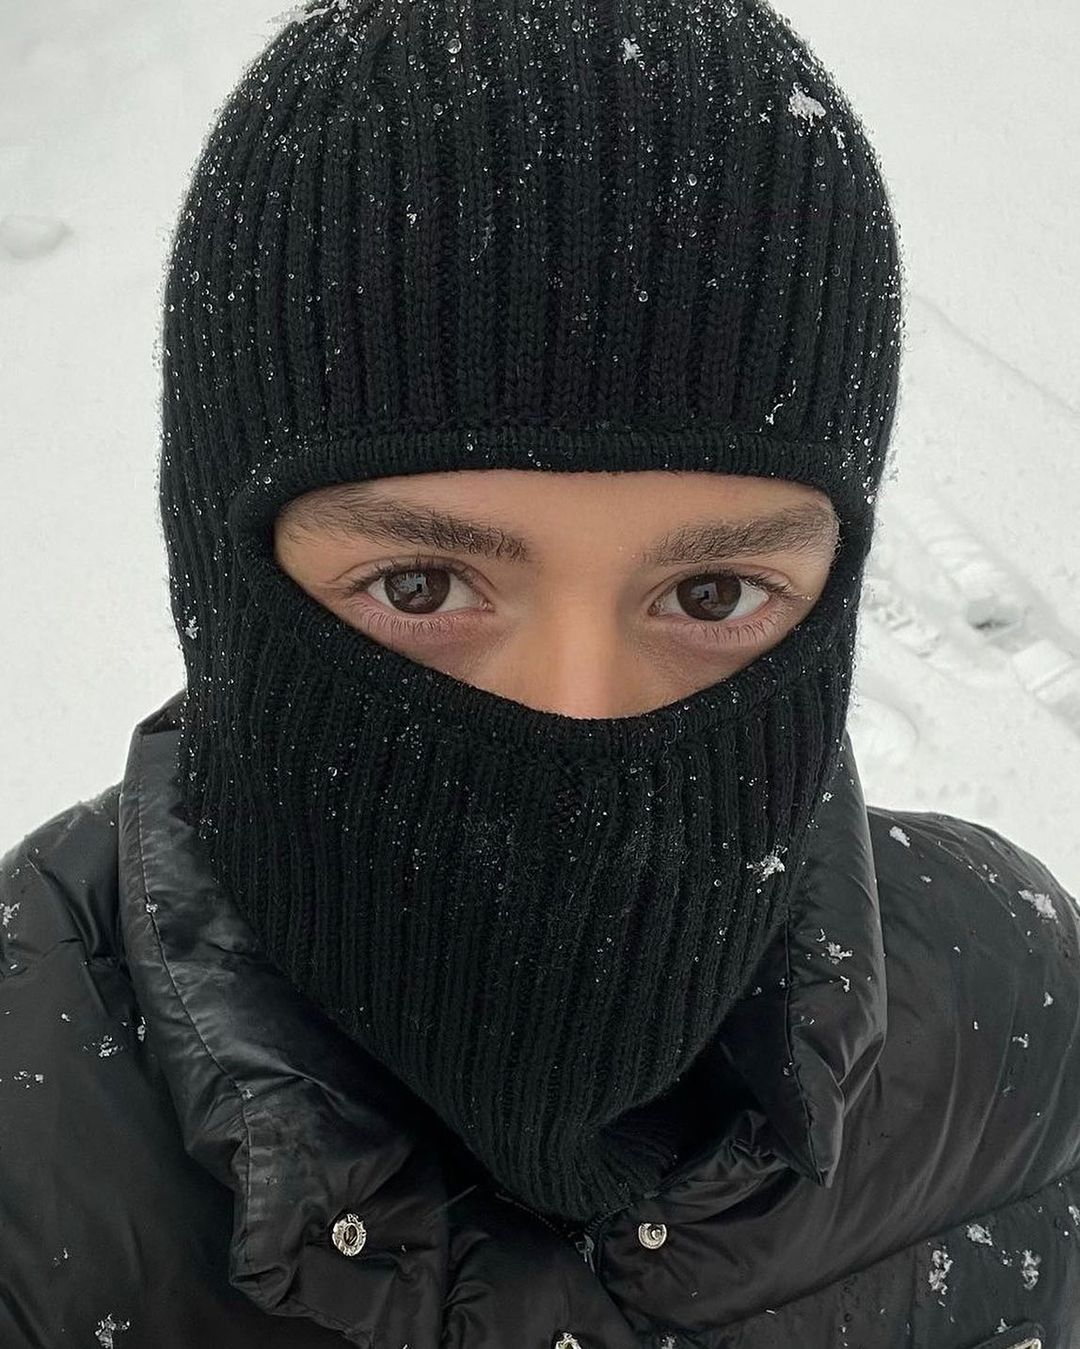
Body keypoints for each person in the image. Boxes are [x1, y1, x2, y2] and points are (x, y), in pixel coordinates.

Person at [1, 0, 1077, 1344]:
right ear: (215, 580)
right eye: (420, 586)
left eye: (712, 594)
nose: (579, 718)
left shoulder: (1003, 1013)